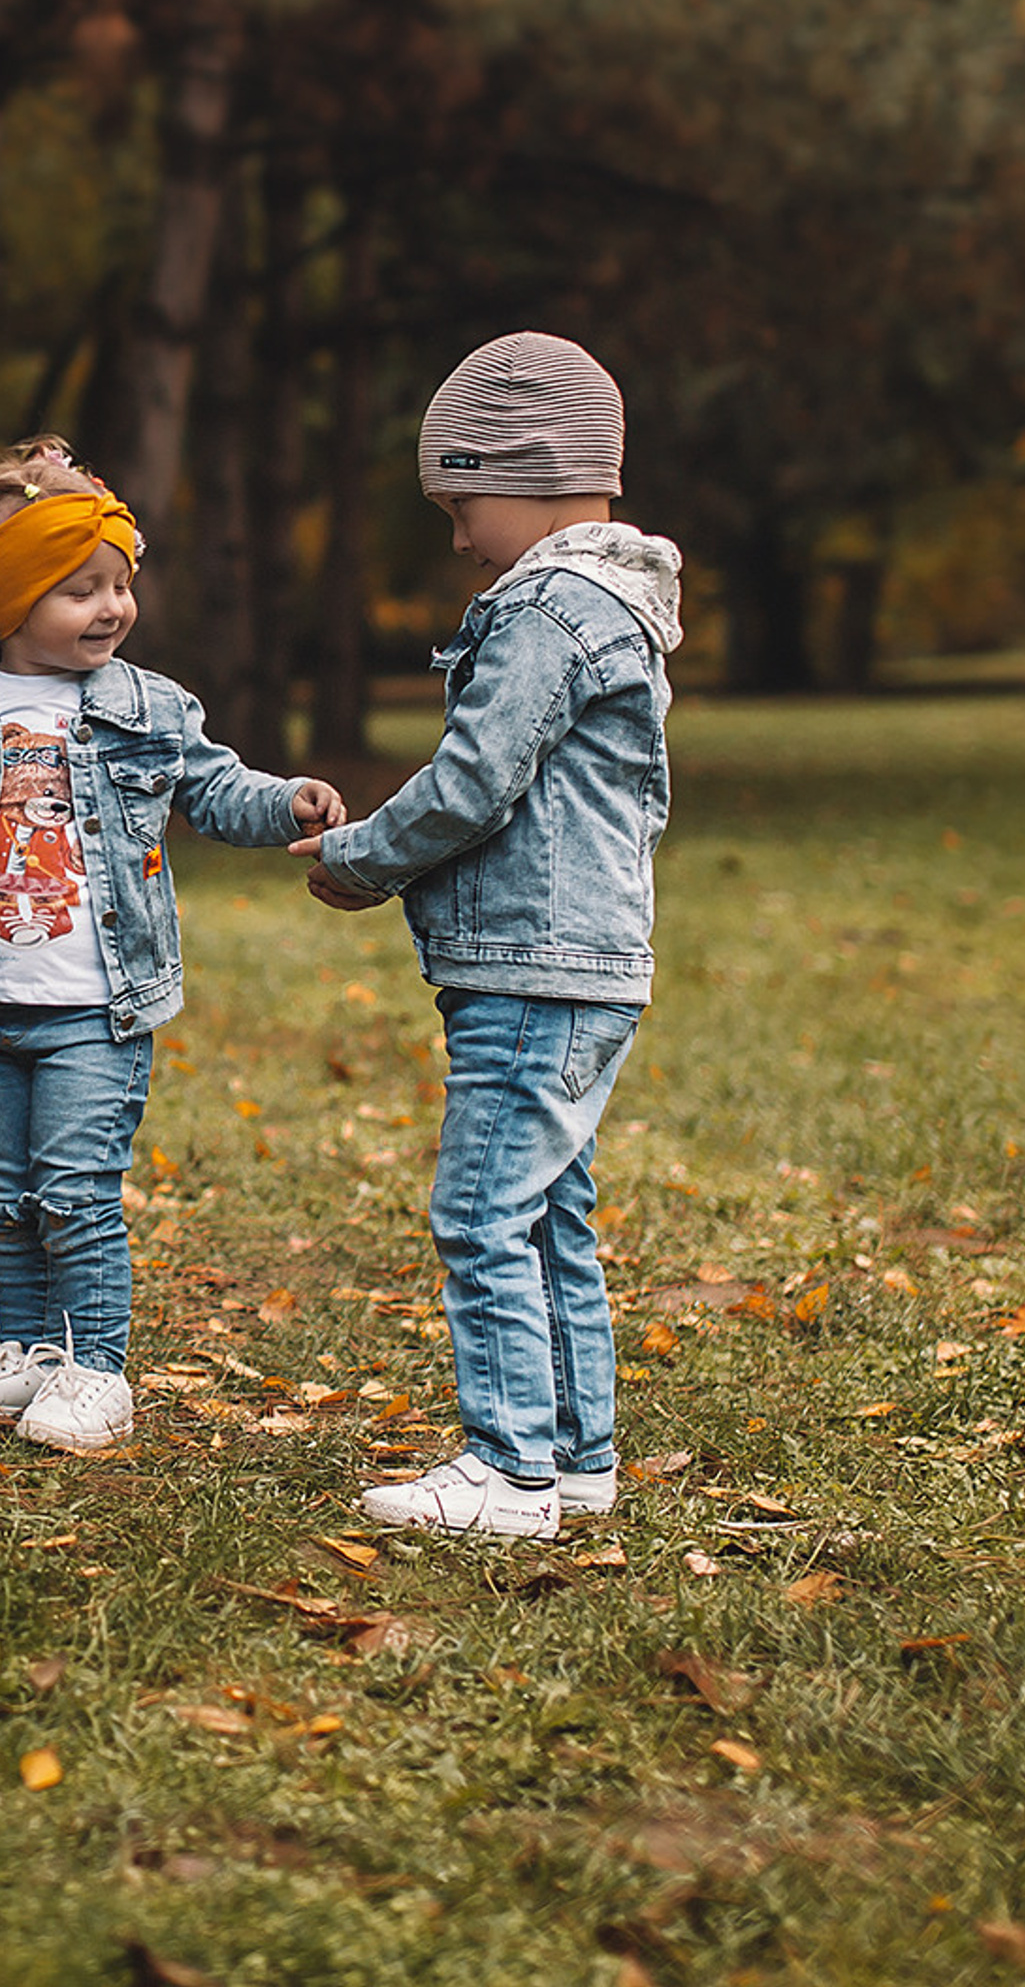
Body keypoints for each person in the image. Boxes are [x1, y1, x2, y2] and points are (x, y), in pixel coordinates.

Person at [0, 443, 345, 1453]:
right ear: (9, 597)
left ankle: (96, 1371)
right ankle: (27, 1353)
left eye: (122, 585)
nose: (111, 607)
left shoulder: (148, 707)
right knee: (6, 1195)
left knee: (75, 1189)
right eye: (80, 588)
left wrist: (284, 803)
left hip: (97, 1006)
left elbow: (213, 789)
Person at [293, 333, 681, 1541]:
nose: (458, 538)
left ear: (519, 471)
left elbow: (473, 781)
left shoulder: (549, 611)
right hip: (578, 964)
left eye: (461, 506)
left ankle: (507, 1469)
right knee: (548, 1207)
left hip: (535, 964)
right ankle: (576, 1457)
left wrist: (358, 861)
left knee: (478, 1211)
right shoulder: (610, 605)